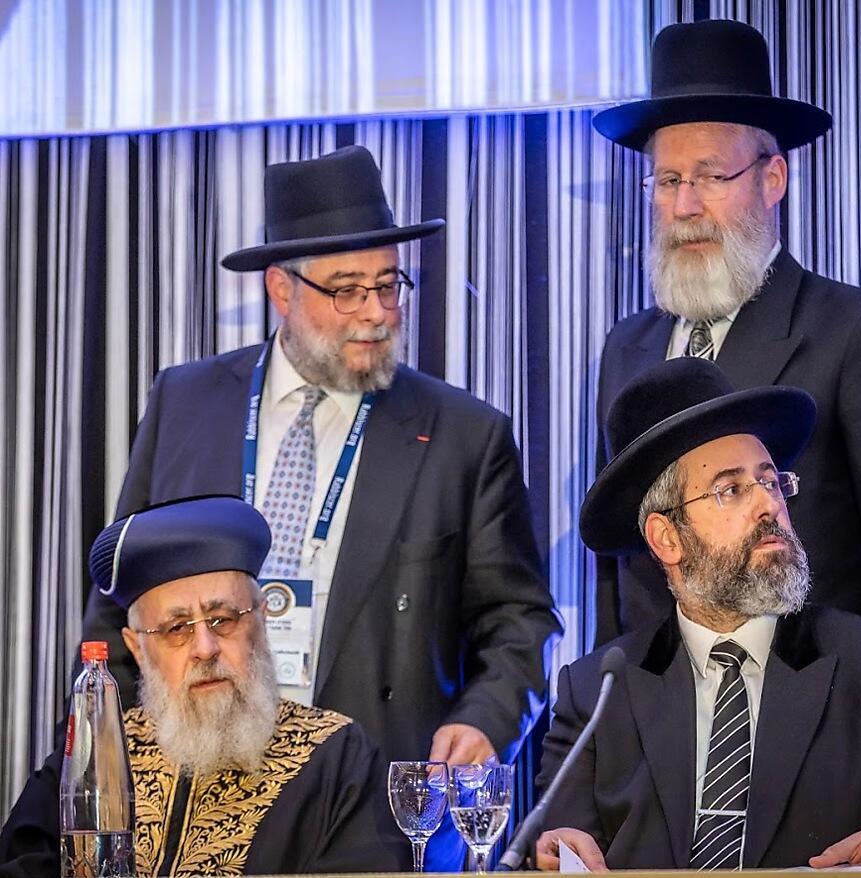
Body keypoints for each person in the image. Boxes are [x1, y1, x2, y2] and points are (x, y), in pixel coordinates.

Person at [78, 145, 562, 777]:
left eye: (389, 285)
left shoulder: (464, 436)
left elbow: (519, 623)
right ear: (282, 287)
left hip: (375, 792)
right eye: (346, 291)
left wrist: (485, 721)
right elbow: (121, 600)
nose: (376, 313)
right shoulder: (184, 402)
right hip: (197, 782)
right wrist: (112, 760)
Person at [591, 19, 861, 751]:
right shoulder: (626, 347)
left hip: (819, 741)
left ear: (772, 178)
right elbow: (620, 580)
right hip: (660, 753)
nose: (685, 205)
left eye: (710, 175)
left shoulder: (857, 332)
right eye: (668, 180)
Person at [534, 359, 861, 870]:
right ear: (667, 538)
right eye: (731, 490)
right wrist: (551, 849)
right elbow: (555, 843)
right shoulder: (594, 692)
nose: (768, 506)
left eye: (771, 482)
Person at [0, 496, 410, 877]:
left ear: (262, 621)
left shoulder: (339, 756)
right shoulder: (97, 754)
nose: (205, 648)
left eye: (224, 619)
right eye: (177, 628)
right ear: (137, 648)